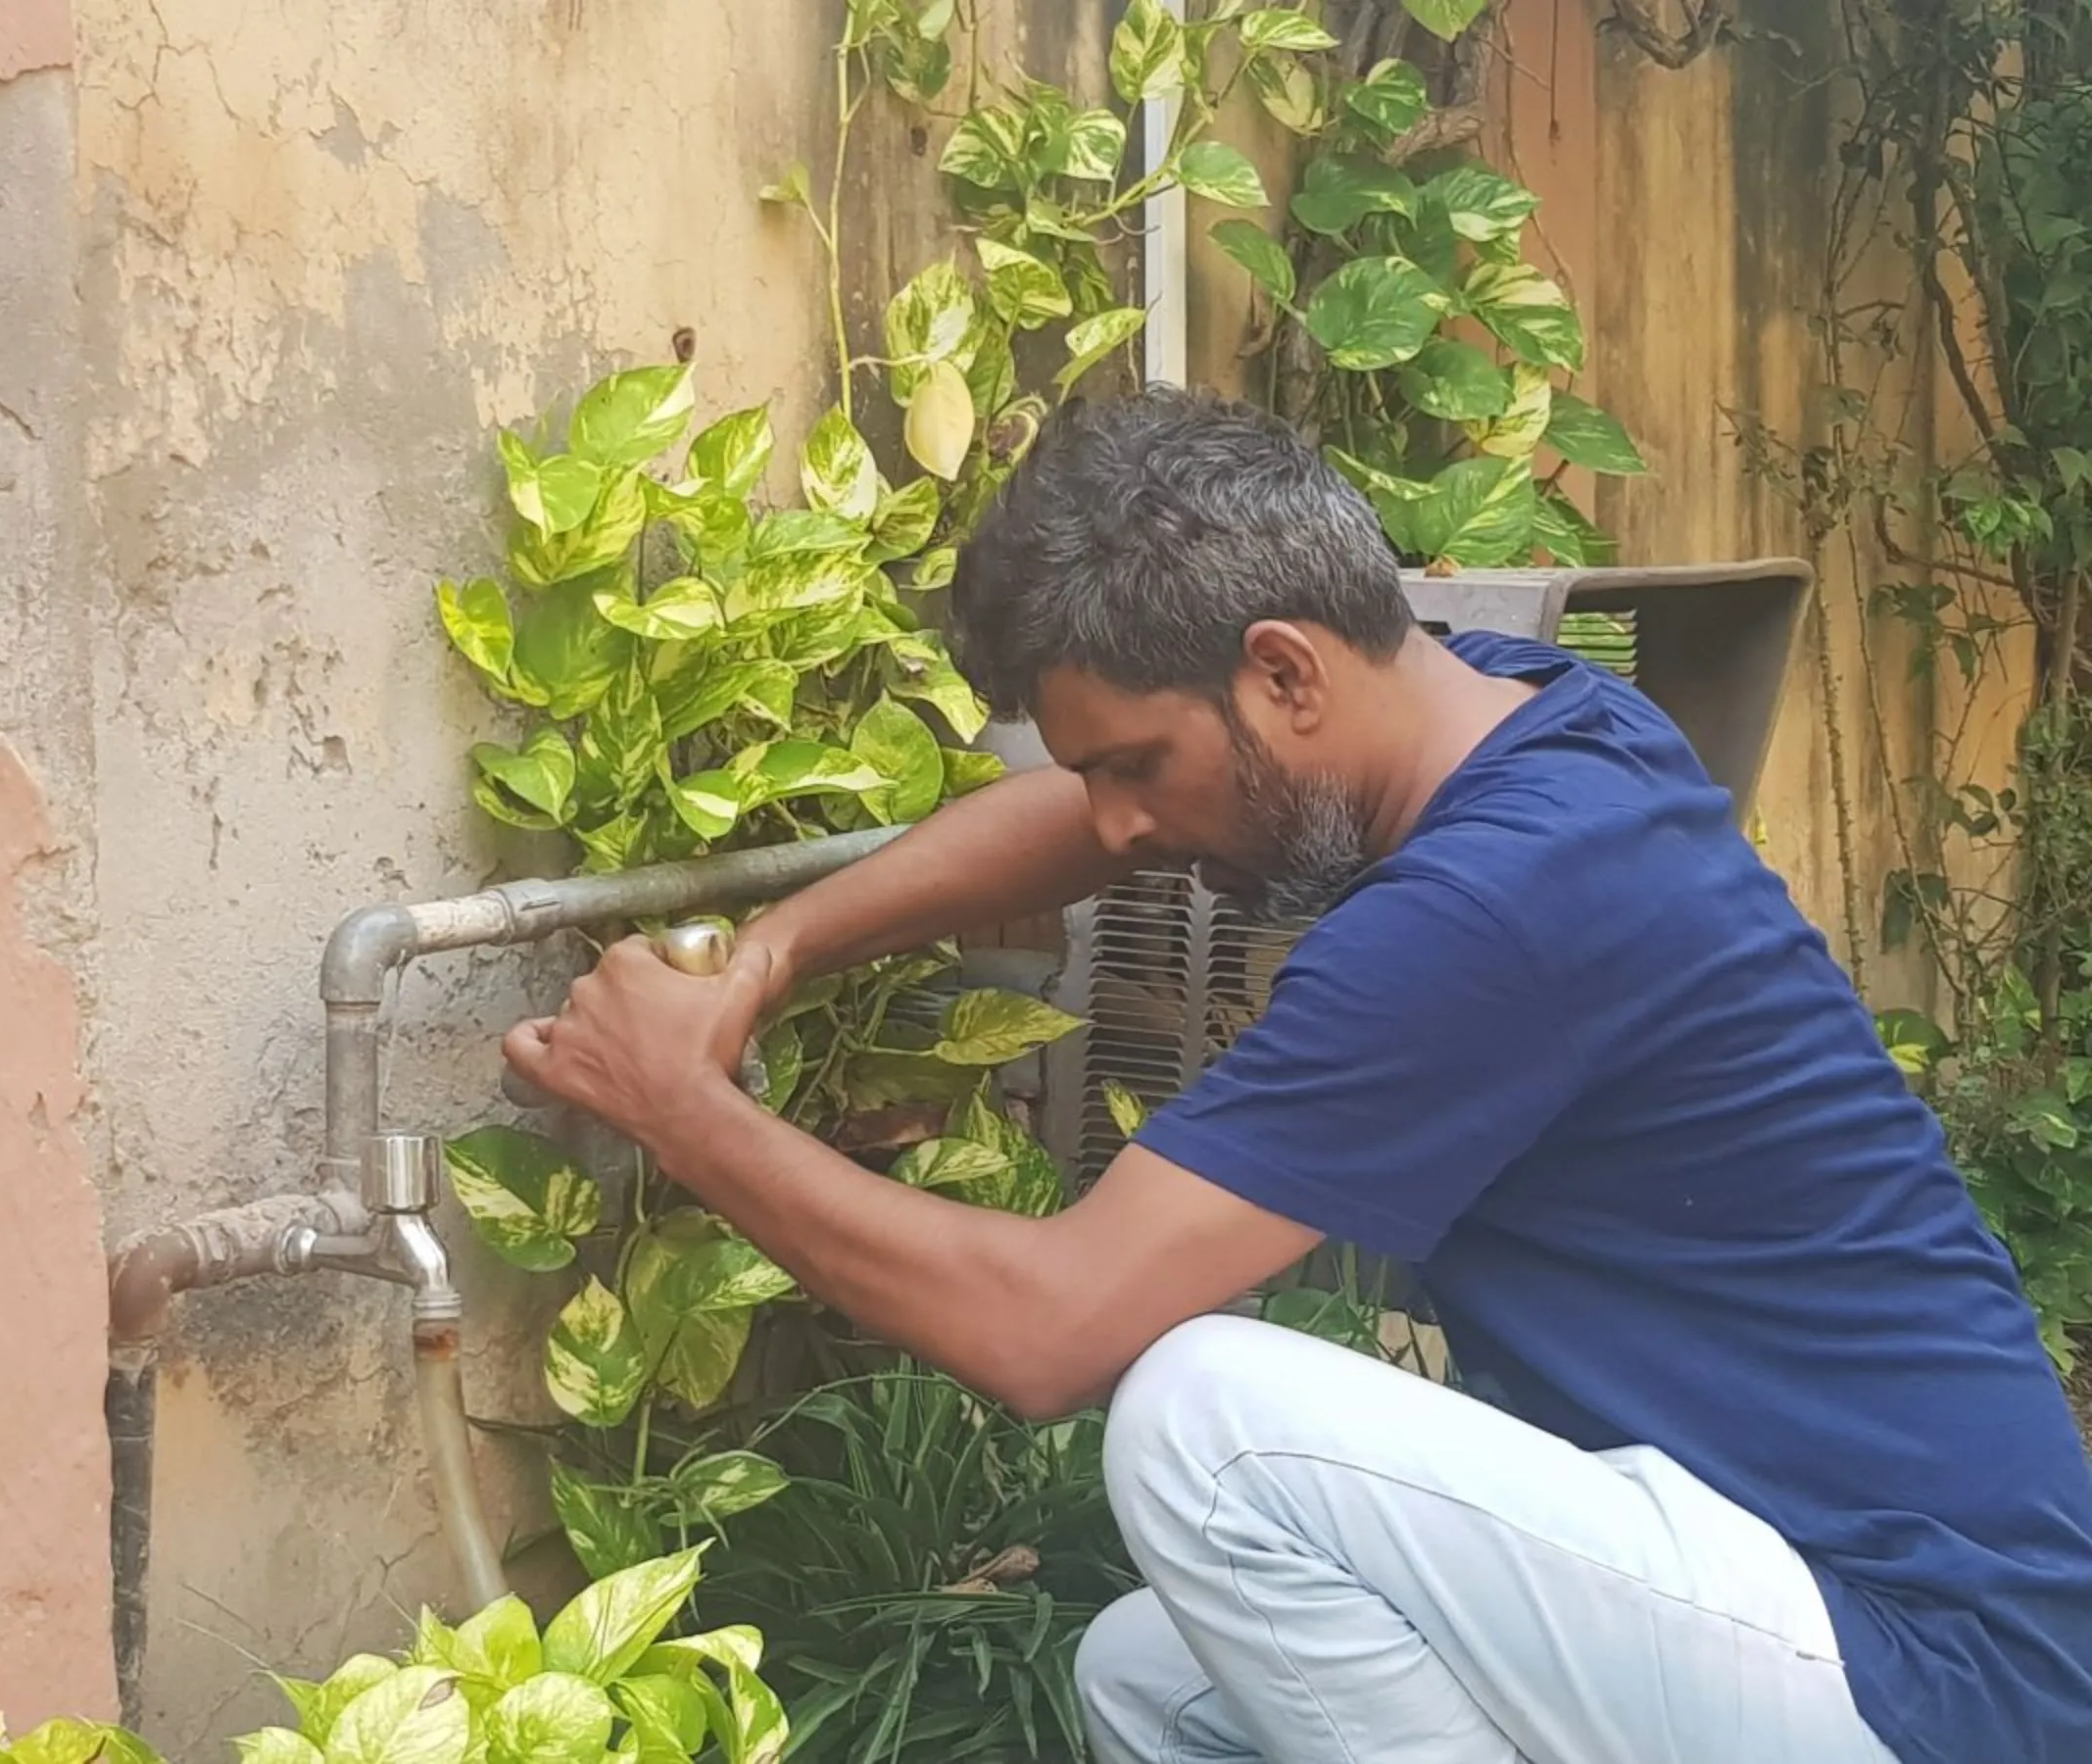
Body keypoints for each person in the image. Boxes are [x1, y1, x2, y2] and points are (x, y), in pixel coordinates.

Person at [503, 388, 2092, 1764]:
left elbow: (1048, 1333)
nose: (1116, 829)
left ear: (1282, 672)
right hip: (1792, 1591)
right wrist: (771, 959)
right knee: (1161, 1686)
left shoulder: (1487, 913)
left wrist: (680, 1108)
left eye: (1136, 765)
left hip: (1929, 1675)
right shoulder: (1531, 718)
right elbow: (1072, 816)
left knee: (1212, 1423)